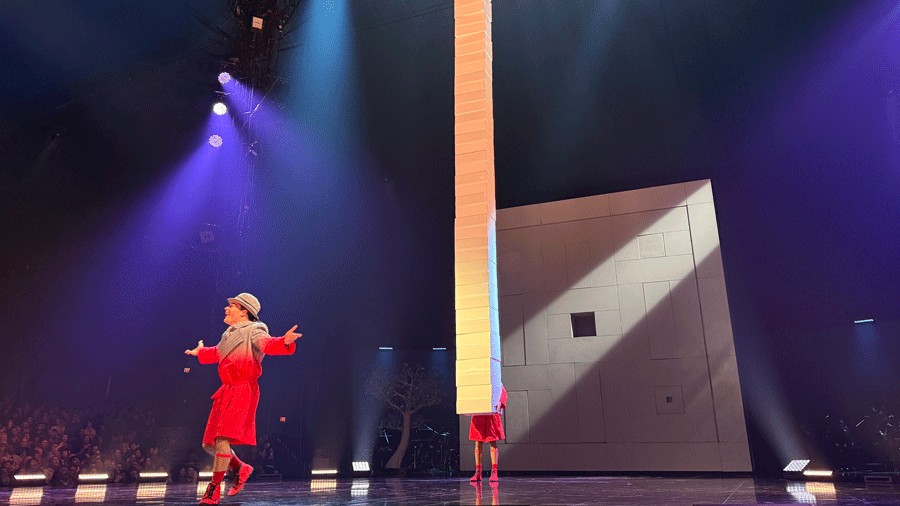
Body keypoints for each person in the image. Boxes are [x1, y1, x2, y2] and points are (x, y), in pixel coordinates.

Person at [185, 293, 302, 505]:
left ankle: (213, 489)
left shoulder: (255, 330)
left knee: (221, 440)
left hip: (243, 389)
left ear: (243, 311)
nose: (226, 309)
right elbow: (218, 354)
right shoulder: (228, 334)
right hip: (226, 390)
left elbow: (268, 344)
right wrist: (200, 353)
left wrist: (284, 342)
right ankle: (240, 467)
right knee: (209, 444)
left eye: (231, 306)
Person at [468, 386, 507, 483]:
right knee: (478, 443)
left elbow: (503, 392)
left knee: (492, 442)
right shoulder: (476, 380)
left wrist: (500, 402)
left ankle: (494, 472)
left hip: (491, 414)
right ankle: (478, 472)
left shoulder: (493, 377)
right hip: (479, 413)